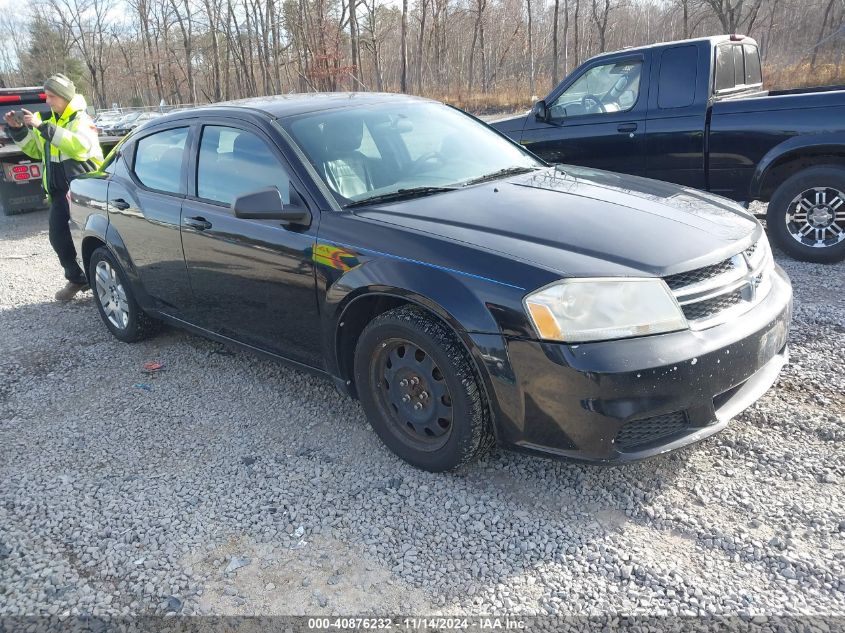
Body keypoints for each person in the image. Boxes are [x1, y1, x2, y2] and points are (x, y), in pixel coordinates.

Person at [3, 74, 103, 301]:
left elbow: (78, 147)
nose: (47, 101)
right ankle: (77, 279)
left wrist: (42, 126)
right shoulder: (50, 121)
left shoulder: (81, 120)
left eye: (52, 96)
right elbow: (36, 150)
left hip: (84, 193)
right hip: (59, 193)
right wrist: (18, 130)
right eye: (46, 96)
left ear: (65, 97)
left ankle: (104, 282)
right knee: (58, 238)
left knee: (94, 240)